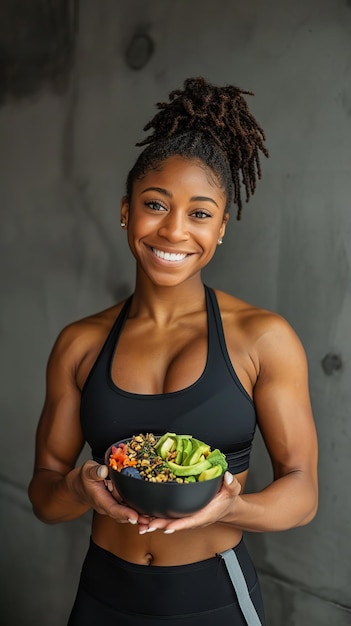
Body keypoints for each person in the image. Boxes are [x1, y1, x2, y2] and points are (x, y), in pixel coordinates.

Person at [28, 77, 318, 626]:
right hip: (103, 597)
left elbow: (302, 490)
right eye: (155, 204)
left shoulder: (262, 337)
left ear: (223, 227)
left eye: (200, 213)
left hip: (215, 599)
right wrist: (80, 488)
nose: (174, 230)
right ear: (125, 211)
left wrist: (235, 507)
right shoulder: (81, 343)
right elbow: (45, 496)